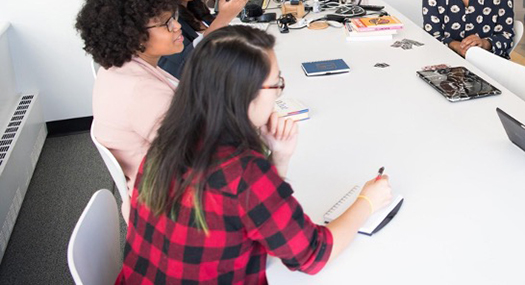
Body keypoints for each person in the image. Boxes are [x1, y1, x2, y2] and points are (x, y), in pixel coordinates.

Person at [118, 26, 394, 282]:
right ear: (245, 93)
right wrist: (367, 202)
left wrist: (278, 158)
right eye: (276, 84)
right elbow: (312, 255)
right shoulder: (242, 172)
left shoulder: (167, 141)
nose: (278, 94)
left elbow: (252, 217)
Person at [74, 0, 184, 218]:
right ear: (132, 35)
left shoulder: (118, 69)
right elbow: (198, 155)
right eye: (165, 23)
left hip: (154, 189)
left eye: (173, 17)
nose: (176, 26)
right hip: (170, 209)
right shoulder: (141, 91)